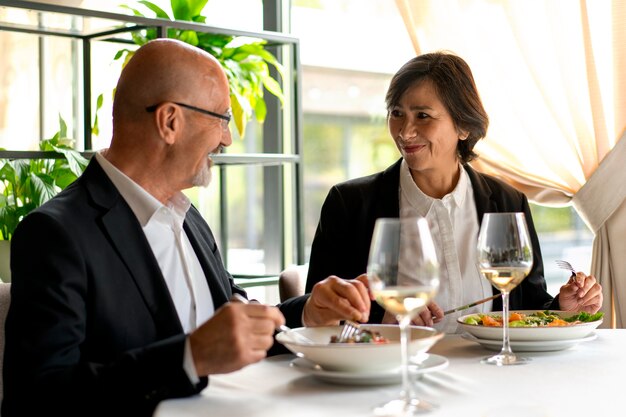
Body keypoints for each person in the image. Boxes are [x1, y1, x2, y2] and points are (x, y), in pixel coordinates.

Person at [2, 38, 370, 417]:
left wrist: (309, 312)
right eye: (222, 118)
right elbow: (37, 399)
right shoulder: (55, 234)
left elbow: (232, 326)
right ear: (170, 121)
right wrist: (189, 357)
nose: (228, 138)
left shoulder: (187, 216)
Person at [305, 51, 603, 333]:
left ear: (463, 126)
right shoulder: (349, 204)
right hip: (395, 375)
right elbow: (319, 314)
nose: (405, 132)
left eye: (422, 116)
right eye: (397, 113)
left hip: (494, 375)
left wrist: (562, 309)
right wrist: (384, 319)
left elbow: (527, 305)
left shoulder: (507, 202)